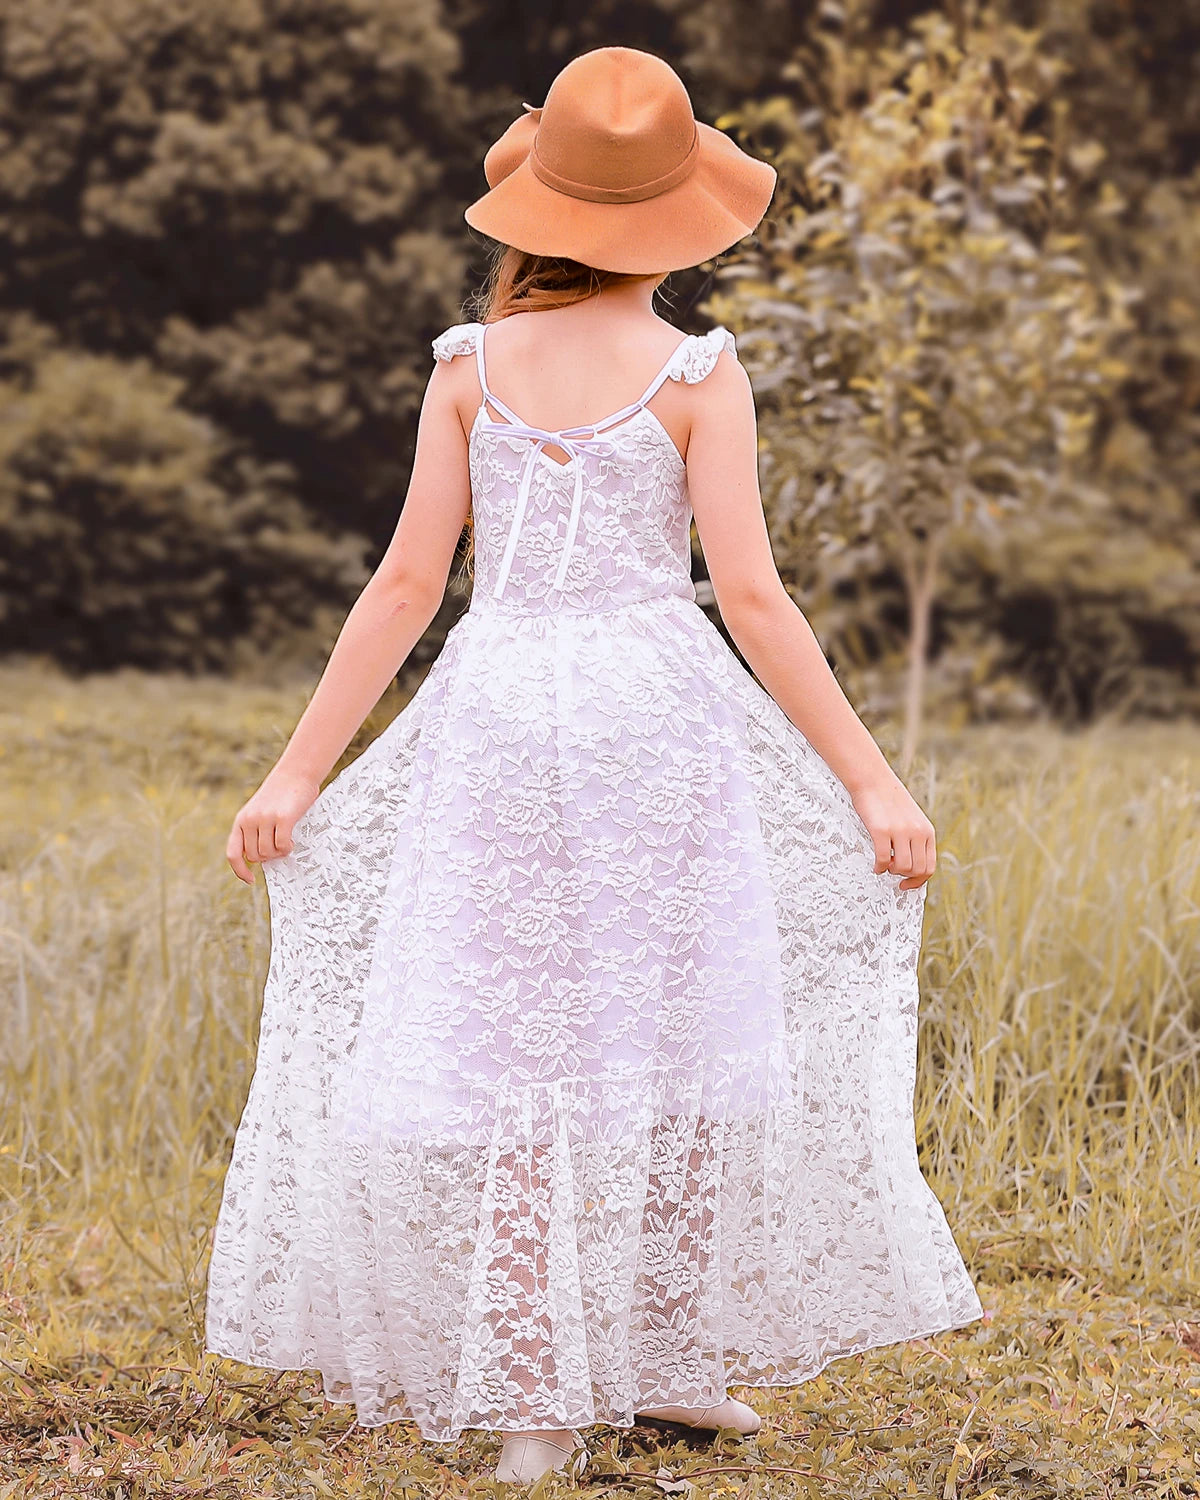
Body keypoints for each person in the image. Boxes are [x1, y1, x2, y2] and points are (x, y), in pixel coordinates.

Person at [203, 44, 983, 1488]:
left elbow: (401, 589)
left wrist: (297, 772)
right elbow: (752, 599)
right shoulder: (700, 372)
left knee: (521, 1049)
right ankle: (653, 1359)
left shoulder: (467, 365)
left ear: (541, 202)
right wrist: (872, 779)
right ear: (683, 213)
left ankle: (546, 1398)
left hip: (498, 716)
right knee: (674, 1022)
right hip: (656, 720)